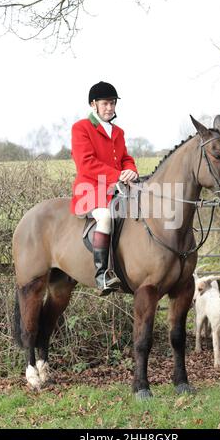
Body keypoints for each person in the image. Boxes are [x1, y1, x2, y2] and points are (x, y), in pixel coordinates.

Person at [70, 81, 138, 296]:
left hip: (117, 189)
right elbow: (86, 163)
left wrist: (131, 171)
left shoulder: (118, 131)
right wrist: (117, 175)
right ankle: (102, 275)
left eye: (112, 103)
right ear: (94, 105)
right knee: (106, 217)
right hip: (90, 190)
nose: (110, 107)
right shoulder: (81, 128)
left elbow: (125, 158)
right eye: (105, 103)